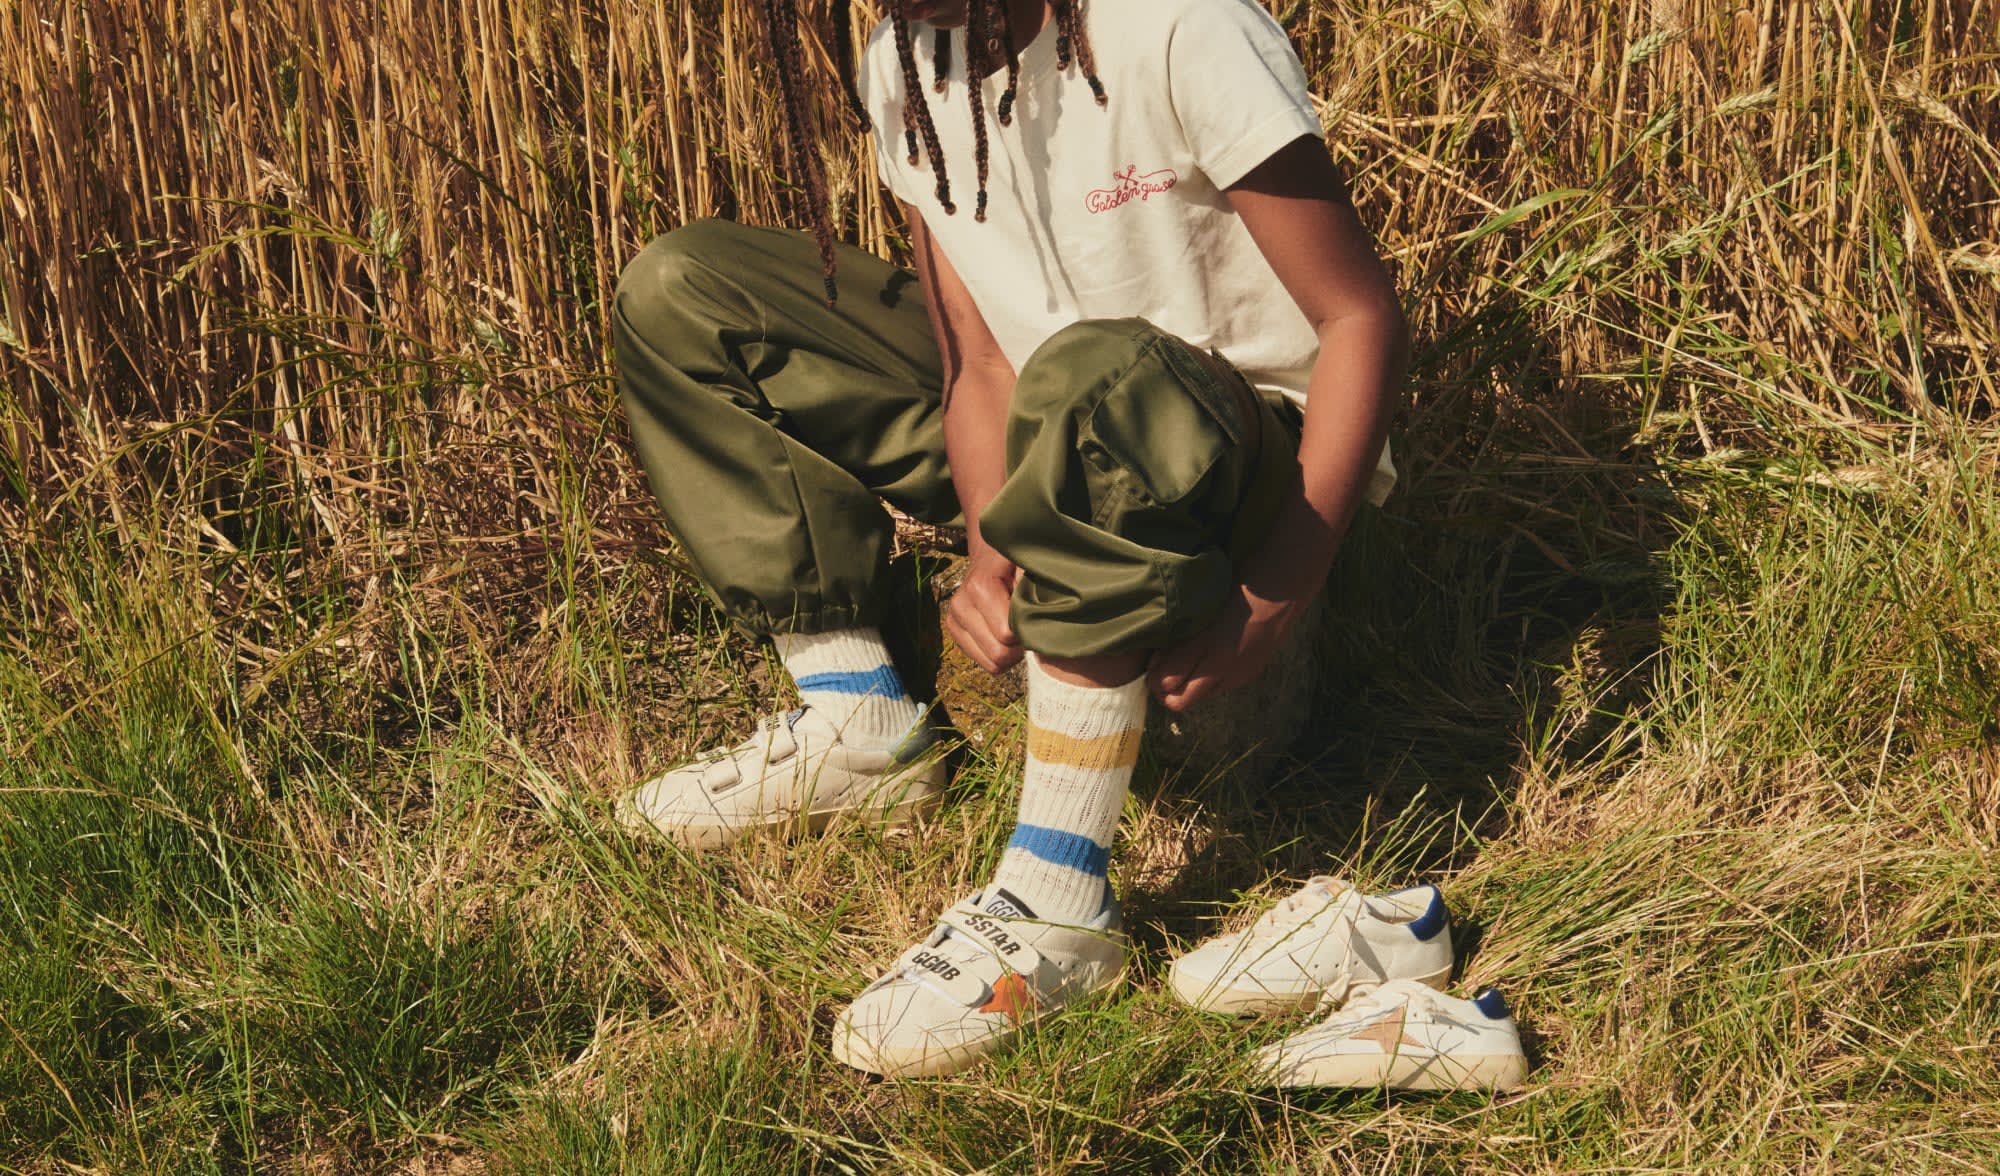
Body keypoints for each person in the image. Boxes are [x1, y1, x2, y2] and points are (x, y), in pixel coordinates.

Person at [610, 0, 1522, 1086]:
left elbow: (1357, 318)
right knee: (690, 289)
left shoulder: (1178, 27)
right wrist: (994, 552)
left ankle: (1055, 901)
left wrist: (1280, 588)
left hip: (1246, 490)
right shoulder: (906, 63)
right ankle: (861, 723)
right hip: (1069, 438)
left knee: (1096, 377)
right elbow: (982, 368)